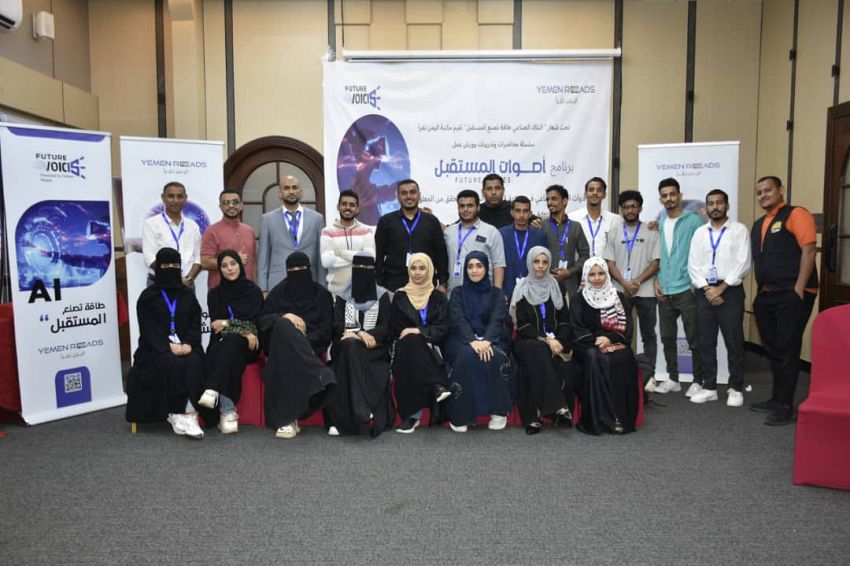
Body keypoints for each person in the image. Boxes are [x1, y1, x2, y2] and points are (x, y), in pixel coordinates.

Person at [750, 176, 817, 426]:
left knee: (788, 350)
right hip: (766, 295)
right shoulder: (759, 224)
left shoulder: (796, 214)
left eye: (768, 190)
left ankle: (786, 406)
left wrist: (798, 288)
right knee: (773, 349)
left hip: (792, 294)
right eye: (759, 192)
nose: (763, 195)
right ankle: (777, 398)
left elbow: (809, 250)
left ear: (781, 190)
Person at [125, 248, 205, 439]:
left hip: (185, 345)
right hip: (154, 348)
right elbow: (148, 329)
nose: (171, 269)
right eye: (166, 265)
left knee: (194, 361)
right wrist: (168, 346)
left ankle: (186, 413)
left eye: (175, 265)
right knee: (171, 362)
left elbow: (195, 323)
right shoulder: (148, 297)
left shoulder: (187, 295)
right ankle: (183, 414)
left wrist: (189, 343)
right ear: (158, 267)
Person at [259, 252, 336, 438]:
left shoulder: (322, 295)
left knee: (289, 358)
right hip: (282, 347)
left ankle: (287, 419)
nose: (297, 273)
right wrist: (286, 316)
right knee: (281, 324)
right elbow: (263, 322)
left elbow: (326, 330)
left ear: (309, 270)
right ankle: (319, 374)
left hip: (311, 346)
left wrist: (304, 343)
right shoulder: (278, 293)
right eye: (292, 270)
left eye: (301, 269)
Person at [687, 189, 751, 407]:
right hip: (704, 290)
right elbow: (693, 265)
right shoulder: (700, 233)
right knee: (706, 341)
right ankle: (710, 387)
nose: (715, 207)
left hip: (730, 290)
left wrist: (721, 288)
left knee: (734, 341)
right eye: (711, 203)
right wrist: (708, 289)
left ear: (727, 205)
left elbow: (744, 263)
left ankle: (736, 387)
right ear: (706, 208)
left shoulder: (739, 230)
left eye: (719, 203)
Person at [324, 252, 394, 437]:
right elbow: (336, 325)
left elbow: (386, 326)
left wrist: (364, 336)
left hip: (373, 349)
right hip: (346, 346)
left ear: (373, 271)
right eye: (358, 268)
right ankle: (361, 408)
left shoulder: (382, 296)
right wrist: (359, 334)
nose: (362, 271)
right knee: (350, 346)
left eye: (366, 268)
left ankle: (345, 419)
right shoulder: (342, 296)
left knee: (349, 356)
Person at [570, 257, 640, 435]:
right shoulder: (579, 298)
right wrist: (597, 340)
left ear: (607, 275)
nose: (597, 278)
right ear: (586, 276)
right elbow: (576, 327)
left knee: (623, 357)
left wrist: (608, 338)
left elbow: (627, 329)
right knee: (595, 358)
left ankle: (619, 416)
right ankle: (598, 419)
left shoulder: (619, 297)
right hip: (587, 344)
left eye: (601, 273)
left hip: (614, 341)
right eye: (592, 274)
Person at [444, 251, 513, 432]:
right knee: (466, 355)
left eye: (479, 266)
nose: (474, 270)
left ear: (486, 268)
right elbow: (458, 320)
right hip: (463, 338)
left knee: (495, 357)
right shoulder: (457, 293)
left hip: (493, 339)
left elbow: (497, 320)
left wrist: (487, 340)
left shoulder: (497, 294)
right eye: (470, 266)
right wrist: (473, 341)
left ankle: (499, 412)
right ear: (465, 270)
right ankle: (461, 415)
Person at [511, 246, 576, 435]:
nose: (540, 266)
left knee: (539, 363)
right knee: (538, 350)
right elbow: (522, 325)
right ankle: (558, 406)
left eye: (545, 262)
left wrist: (560, 341)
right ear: (530, 263)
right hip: (528, 339)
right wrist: (548, 340)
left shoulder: (557, 286)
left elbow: (564, 320)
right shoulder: (522, 288)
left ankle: (534, 418)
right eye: (536, 262)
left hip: (556, 341)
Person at [197, 250, 264, 433]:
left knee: (231, 342)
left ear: (240, 265)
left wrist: (228, 324)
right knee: (228, 348)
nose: (230, 269)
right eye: (224, 266)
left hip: (250, 344)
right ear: (220, 269)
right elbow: (215, 326)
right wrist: (243, 329)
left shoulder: (253, 291)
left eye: (233, 264)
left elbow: (255, 324)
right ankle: (228, 412)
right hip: (223, 342)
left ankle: (213, 391)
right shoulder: (215, 294)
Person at [653, 177, 706, 396]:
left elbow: (704, 250)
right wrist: (656, 281)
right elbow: (657, 256)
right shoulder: (659, 222)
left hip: (687, 289)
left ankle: (698, 380)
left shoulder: (694, 220)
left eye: (672, 194)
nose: (669, 198)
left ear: (680, 196)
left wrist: (697, 280)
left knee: (694, 338)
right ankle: (673, 378)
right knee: (667, 338)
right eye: (664, 195)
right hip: (664, 290)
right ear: (661, 199)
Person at [390, 253, 452, 433]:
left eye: (422, 268)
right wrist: (421, 338)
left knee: (415, 345)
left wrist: (421, 333)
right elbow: (397, 329)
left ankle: (412, 416)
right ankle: (437, 385)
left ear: (430, 270)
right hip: (404, 346)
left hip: (434, 346)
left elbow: (443, 326)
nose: (417, 273)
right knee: (411, 344)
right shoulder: (400, 296)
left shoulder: (439, 297)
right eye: (413, 268)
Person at [603, 190, 660, 382]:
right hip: (620, 291)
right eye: (626, 207)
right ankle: (624, 374)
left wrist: (637, 281)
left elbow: (656, 262)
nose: (630, 210)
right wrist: (624, 283)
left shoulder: (652, 232)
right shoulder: (613, 233)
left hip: (646, 291)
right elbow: (609, 262)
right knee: (622, 333)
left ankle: (649, 376)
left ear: (640, 208)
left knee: (648, 334)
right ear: (621, 210)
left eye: (634, 206)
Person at [375, 179, 449, 292]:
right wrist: (379, 284)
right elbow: (379, 255)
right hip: (393, 285)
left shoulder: (431, 221)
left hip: (426, 286)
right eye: (404, 193)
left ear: (419, 195)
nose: (409, 196)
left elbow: (441, 253)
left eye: (412, 192)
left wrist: (443, 283)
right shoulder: (386, 221)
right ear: (398, 197)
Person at [257, 174, 325, 294]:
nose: (291, 191)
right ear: (280, 193)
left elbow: (320, 257)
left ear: (301, 192)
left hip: (310, 283)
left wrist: (322, 287)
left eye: (294, 187)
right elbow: (263, 257)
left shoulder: (317, 218)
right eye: (286, 188)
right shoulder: (267, 219)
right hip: (278, 285)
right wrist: (263, 289)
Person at [444, 189, 506, 291]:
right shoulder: (448, 232)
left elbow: (498, 264)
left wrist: (497, 292)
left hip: (483, 294)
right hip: (454, 293)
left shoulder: (491, 232)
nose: (465, 209)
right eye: (462, 206)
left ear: (478, 208)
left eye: (470, 206)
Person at [142, 181, 202, 288]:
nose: (175, 201)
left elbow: (198, 258)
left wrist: (189, 278)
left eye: (179, 196)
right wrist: (173, 278)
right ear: (163, 197)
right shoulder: (151, 223)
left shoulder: (193, 226)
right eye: (171, 196)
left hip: (186, 282)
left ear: (185, 198)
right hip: (159, 281)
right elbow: (149, 257)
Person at [320, 190, 376, 295]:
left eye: (352, 205)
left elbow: (369, 258)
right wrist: (359, 258)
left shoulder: (366, 231)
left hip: (363, 291)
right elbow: (327, 261)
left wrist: (340, 253)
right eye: (344, 204)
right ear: (338, 207)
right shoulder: (327, 232)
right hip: (336, 292)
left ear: (357, 209)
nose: (348, 208)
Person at [200, 190, 257, 289]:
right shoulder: (212, 231)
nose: (231, 206)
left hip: (247, 290)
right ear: (220, 207)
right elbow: (205, 262)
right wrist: (235, 260)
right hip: (221, 291)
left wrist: (255, 287)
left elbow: (253, 262)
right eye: (226, 203)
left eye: (235, 202)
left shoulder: (249, 231)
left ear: (241, 205)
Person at [541, 184, 590, 297]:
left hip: (571, 284)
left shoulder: (575, 227)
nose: (549, 203)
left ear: (565, 201)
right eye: (547, 199)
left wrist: (570, 271)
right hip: (547, 284)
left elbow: (585, 255)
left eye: (554, 199)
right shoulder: (541, 226)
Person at [500, 196, 550, 301]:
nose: (521, 215)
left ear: (530, 214)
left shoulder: (540, 236)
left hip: (533, 291)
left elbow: (544, 266)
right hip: (507, 291)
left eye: (525, 211)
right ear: (512, 213)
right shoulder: (501, 234)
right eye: (518, 211)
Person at [569, 177, 622, 257]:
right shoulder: (572, 218)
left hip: (606, 264)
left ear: (604, 195)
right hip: (579, 264)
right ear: (585, 194)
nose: (595, 193)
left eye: (599, 190)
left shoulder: (615, 220)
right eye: (591, 190)